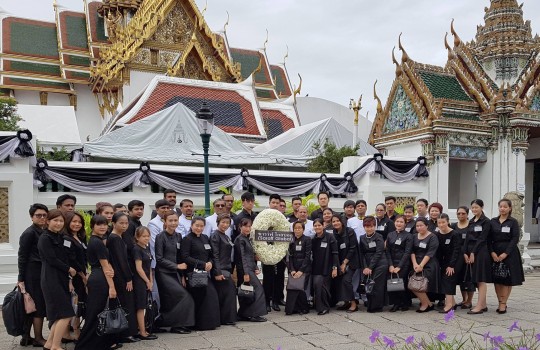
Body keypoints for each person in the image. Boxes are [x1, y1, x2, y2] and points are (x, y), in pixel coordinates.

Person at [75, 215, 117, 350]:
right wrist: (112, 287)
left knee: (98, 311)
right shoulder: (97, 242)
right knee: (95, 313)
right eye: (99, 224)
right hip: (100, 279)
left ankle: (99, 343)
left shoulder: (95, 240)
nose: (103, 227)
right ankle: (85, 344)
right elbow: (105, 266)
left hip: (97, 276)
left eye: (105, 224)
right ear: (92, 226)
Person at [37, 210, 76, 350]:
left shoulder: (61, 237)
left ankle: (49, 344)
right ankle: (55, 346)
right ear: (48, 221)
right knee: (66, 314)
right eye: (55, 220)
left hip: (62, 278)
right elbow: (51, 259)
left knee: (61, 315)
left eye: (61, 221)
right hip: (50, 278)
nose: (59, 223)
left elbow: (66, 256)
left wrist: (69, 278)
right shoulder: (45, 238)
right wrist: (69, 269)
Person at [154, 211, 194, 334]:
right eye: (170, 220)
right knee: (184, 297)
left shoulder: (178, 236)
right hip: (163, 273)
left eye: (175, 220)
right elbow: (159, 258)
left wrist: (182, 275)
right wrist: (176, 266)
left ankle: (169, 323)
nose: (173, 223)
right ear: (164, 222)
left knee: (172, 301)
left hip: (175, 273)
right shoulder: (160, 237)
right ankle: (177, 325)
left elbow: (179, 257)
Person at [180, 217, 221, 330]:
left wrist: (210, 263)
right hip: (194, 274)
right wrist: (202, 264)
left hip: (205, 273)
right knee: (200, 298)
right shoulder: (187, 239)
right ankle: (198, 324)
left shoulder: (205, 238)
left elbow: (210, 255)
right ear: (192, 226)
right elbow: (185, 257)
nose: (199, 228)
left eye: (201, 226)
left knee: (211, 296)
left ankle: (211, 323)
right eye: (196, 225)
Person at [17, 203, 49, 347]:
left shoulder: (43, 231)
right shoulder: (29, 233)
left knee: (31, 306)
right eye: (38, 215)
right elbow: (22, 256)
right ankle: (37, 338)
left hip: (40, 272)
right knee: (36, 306)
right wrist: (21, 278)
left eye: (44, 215)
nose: (42, 218)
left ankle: (26, 337)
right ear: (32, 217)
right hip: (32, 274)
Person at [107, 212, 139, 343]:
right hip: (121, 277)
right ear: (113, 223)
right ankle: (125, 334)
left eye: (126, 223)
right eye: (121, 223)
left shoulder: (120, 237)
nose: (124, 225)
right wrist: (128, 278)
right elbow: (122, 261)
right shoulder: (114, 238)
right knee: (126, 304)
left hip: (120, 276)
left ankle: (127, 333)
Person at [489, 198, 525, 314]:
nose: (502, 209)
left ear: (510, 208)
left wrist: (505, 253)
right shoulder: (493, 221)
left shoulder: (513, 222)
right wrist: (492, 252)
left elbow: (515, 239)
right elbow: (488, 238)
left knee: (506, 279)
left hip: (509, 253)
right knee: (497, 278)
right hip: (495, 251)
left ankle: (503, 303)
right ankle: (500, 300)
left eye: (505, 207)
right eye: (501, 206)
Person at [234, 218, 267, 322]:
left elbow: (251, 256)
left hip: (249, 268)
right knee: (258, 289)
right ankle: (254, 314)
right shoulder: (239, 239)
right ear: (240, 227)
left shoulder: (246, 238)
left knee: (247, 291)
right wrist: (246, 273)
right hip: (245, 270)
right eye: (245, 226)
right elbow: (242, 257)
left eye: (249, 226)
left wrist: (256, 267)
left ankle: (243, 313)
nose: (248, 228)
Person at [62, 211, 88, 342]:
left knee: (79, 304)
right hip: (74, 277)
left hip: (82, 274)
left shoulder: (80, 237)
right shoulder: (66, 239)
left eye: (79, 222)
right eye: (74, 221)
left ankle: (74, 331)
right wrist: (83, 275)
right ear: (68, 222)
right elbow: (71, 259)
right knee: (75, 304)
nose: (77, 224)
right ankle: (70, 333)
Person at [209, 213, 237, 325]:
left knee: (227, 295)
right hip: (220, 270)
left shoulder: (225, 236)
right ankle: (226, 318)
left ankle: (227, 318)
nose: (225, 225)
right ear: (218, 223)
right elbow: (215, 255)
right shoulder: (215, 235)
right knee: (228, 294)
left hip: (227, 268)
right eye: (223, 222)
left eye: (227, 223)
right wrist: (217, 272)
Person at [465, 199, 492, 315]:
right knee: (476, 278)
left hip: (481, 251)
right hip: (471, 251)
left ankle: (479, 306)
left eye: (476, 207)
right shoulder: (471, 221)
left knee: (481, 279)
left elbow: (482, 238)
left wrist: (473, 252)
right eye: (473, 207)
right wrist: (466, 252)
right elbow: (467, 238)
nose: (474, 209)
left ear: (482, 207)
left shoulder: (486, 221)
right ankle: (484, 304)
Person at [132, 227, 158, 340]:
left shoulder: (147, 248)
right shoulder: (137, 249)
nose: (146, 238)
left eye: (148, 236)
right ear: (137, 237)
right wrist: (147, 281)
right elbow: (139, 268)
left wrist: (151, 280)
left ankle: (144, 328)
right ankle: (142, 332)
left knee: (146, 305)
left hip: (147, 279)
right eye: (143, 236)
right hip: (139, 281)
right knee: (141, 307)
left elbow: (149, 267)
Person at [410, 217, 440, 313]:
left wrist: (421, 265)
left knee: (420, 284)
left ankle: (425, 304)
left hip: (428, 264)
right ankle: (428, 304)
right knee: (412, 284)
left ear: (427, 226)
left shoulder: (432, 237)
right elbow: (412, 251)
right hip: (416, 263)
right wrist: (415, 264)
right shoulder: (414, 236)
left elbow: (430, 253)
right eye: (417, 226)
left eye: (421, 225)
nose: (419, 227)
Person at [263, 194, 287, 312]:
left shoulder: (283, 218)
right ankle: (266, 301)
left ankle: (276, 301)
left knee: (279, 277)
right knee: (268, 278)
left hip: (280, 253)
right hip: (266, 252)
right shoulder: (263, 217)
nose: (276, 205)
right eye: (273, 202)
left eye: (277, 203)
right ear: (269, 203)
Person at [359, 216, 388, 313]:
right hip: (367, 263)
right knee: (369, 284)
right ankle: (370, 304)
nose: (369, 228)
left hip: (380, 263)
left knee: (376, 285)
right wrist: (365, 267)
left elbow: (379, 252)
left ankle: (377, 306)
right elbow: (361, 253)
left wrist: (370, 267)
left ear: (374, 226)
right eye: (367, 226)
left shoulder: (379, 237)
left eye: (371, 226)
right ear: (364, 227)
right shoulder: (362, 237)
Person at [331, 214, 359, 313]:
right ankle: (346, 302)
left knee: (346, 281)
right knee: (339, 282)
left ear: (342, 222)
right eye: (333, 221)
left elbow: (352, 248)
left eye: (337, 221)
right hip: (339, 262)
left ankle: (353, 303)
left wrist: (344, 263)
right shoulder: (333, 233)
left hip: (351, 261)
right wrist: (336, 266)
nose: (336, 223)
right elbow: (334, 251)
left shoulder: (349, 231)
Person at [310, 218, 338, 315]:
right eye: (315, 225)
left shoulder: (330, 237)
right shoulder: (313, 239)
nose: (317, 227)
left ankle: (324, 307)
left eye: (319, 225)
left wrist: (335, 268)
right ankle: (318, 305)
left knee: (324, 288)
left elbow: (335, 253)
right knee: (317, 286)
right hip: (315, 268)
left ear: (323, 226)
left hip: (327, 267)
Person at [385, 215, 413, 312]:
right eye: (397, 221)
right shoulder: (390, 235)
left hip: (403, 263)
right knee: (392, 283)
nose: (399, 224)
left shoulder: (408, 236)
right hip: (391, 263)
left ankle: (403, 303)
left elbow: (407, 252)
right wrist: (391, 265)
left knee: (401, 283)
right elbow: (387, 251)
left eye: (401, 222)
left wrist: (399, 266)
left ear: (405, 224)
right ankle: (395, 303)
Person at [436, 213, 461, 313]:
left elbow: (456, 251)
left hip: (454, 261)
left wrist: (451, 265)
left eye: (443, 222)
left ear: (448, 222)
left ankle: (449, 305)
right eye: (439, 223)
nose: (441, 225)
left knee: (448, 281)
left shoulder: (454, 234)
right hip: (444, 261)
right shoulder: (437, 234)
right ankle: (453, 303)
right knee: (445, 281)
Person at [285, 221, 312, 315]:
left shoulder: (307, 239)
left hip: (304, 269)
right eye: (295, 228)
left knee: (301, 288)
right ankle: (293, 308)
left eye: (299, 228)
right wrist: (292, 270)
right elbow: (290, 257)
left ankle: (304, 308)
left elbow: (308, 256)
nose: (297, 230)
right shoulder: (291, 241)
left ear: (303, 229)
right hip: (293, 269)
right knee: (292, 288)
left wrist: (301, 270)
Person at [452, 206, 473, 309]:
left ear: (467, 214)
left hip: (469, 255)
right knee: (461, 278)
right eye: (459, 213)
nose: (461, 215)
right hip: (457, 256)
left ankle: (469, 300)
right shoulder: (453, 226)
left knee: (468, 277)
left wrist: (468, 253)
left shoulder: (471, 225)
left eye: (463, 213)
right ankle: (464, 299)